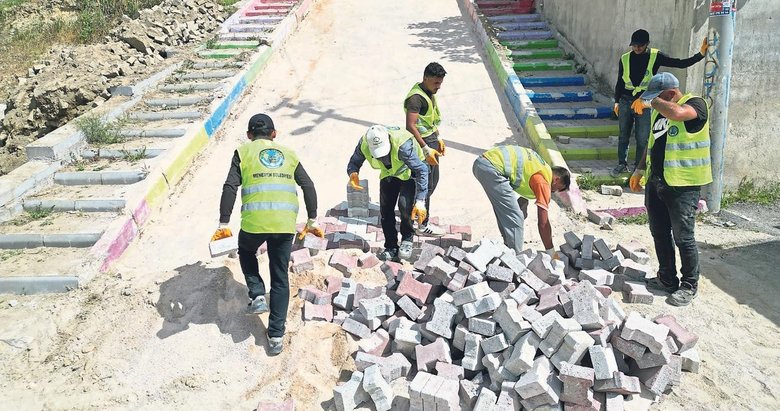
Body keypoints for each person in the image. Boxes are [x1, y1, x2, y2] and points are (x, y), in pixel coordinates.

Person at [212, 113, 323, 355]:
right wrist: (312, 218)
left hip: (254, 222)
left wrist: (223, 222)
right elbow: (308, 185)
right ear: (274, 135)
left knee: (247, 251)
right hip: (284, 224)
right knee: (280, 276)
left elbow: (230, 186)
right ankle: (275, 337)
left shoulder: (243, 152)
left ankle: (257, 293)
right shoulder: (290, 154)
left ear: (249, 136)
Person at [629, 72, 711, 307]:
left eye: (659, 97)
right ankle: (667, 278)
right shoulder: (661, 111)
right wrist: (639, 169)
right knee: (659, 231)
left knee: (683, 237)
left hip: (683, 185)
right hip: (658, 182)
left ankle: (689, 285)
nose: (655, 102)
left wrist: (650, 100)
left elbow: (677, 113)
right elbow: (652, 142)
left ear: (672, 93)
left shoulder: (696, 104)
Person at [610, 29, 708, 177]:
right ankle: (621, 164)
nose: (636, 48)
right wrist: (616, 101)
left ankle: (638, 169)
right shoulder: (625, 58)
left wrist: (699, 55)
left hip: (644, 100)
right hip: (625, 100)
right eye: (634, 45)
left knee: (642, 137)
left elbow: (679, 63)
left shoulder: (656, 56)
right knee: (624, 134)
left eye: (640, 46)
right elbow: (620, 81)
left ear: (647, 44)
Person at [347, 125, 428, 262]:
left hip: (409, 171)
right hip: (389, 172)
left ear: (388, 141)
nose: (382, 157)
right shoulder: (364, 143)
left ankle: (407, 238)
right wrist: (353, 173)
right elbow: (354, 162)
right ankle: (391, 246)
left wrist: (420, 201)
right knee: (385, 209)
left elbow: (422, 170)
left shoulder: (403, 146)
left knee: (405, 206)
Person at [473, 145, 571, 254]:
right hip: (492, 169)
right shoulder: (543, 182)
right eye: (558, 188)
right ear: (556, 179)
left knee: (512, 213)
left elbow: (523, 194)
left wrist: (520, 210)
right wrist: (551, 252)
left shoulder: (540, 167)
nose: (554, 191)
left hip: (483, 163)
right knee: (516, 218)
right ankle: (514, 261)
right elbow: (543, 223)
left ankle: (507, 249)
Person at [405, 62, 447, 237]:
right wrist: (425, 148)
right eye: (436, 83)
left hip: (431, 141)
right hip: (422, 145)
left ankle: (416, 211)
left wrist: (438, 136)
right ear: (426, 78)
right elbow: (410, 125)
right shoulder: (416, 98)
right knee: (425, 184)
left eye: (440, 83)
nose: (438, 87)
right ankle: (423, 224)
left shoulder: (429, 92)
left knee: (432, 182)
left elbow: (430, 119)